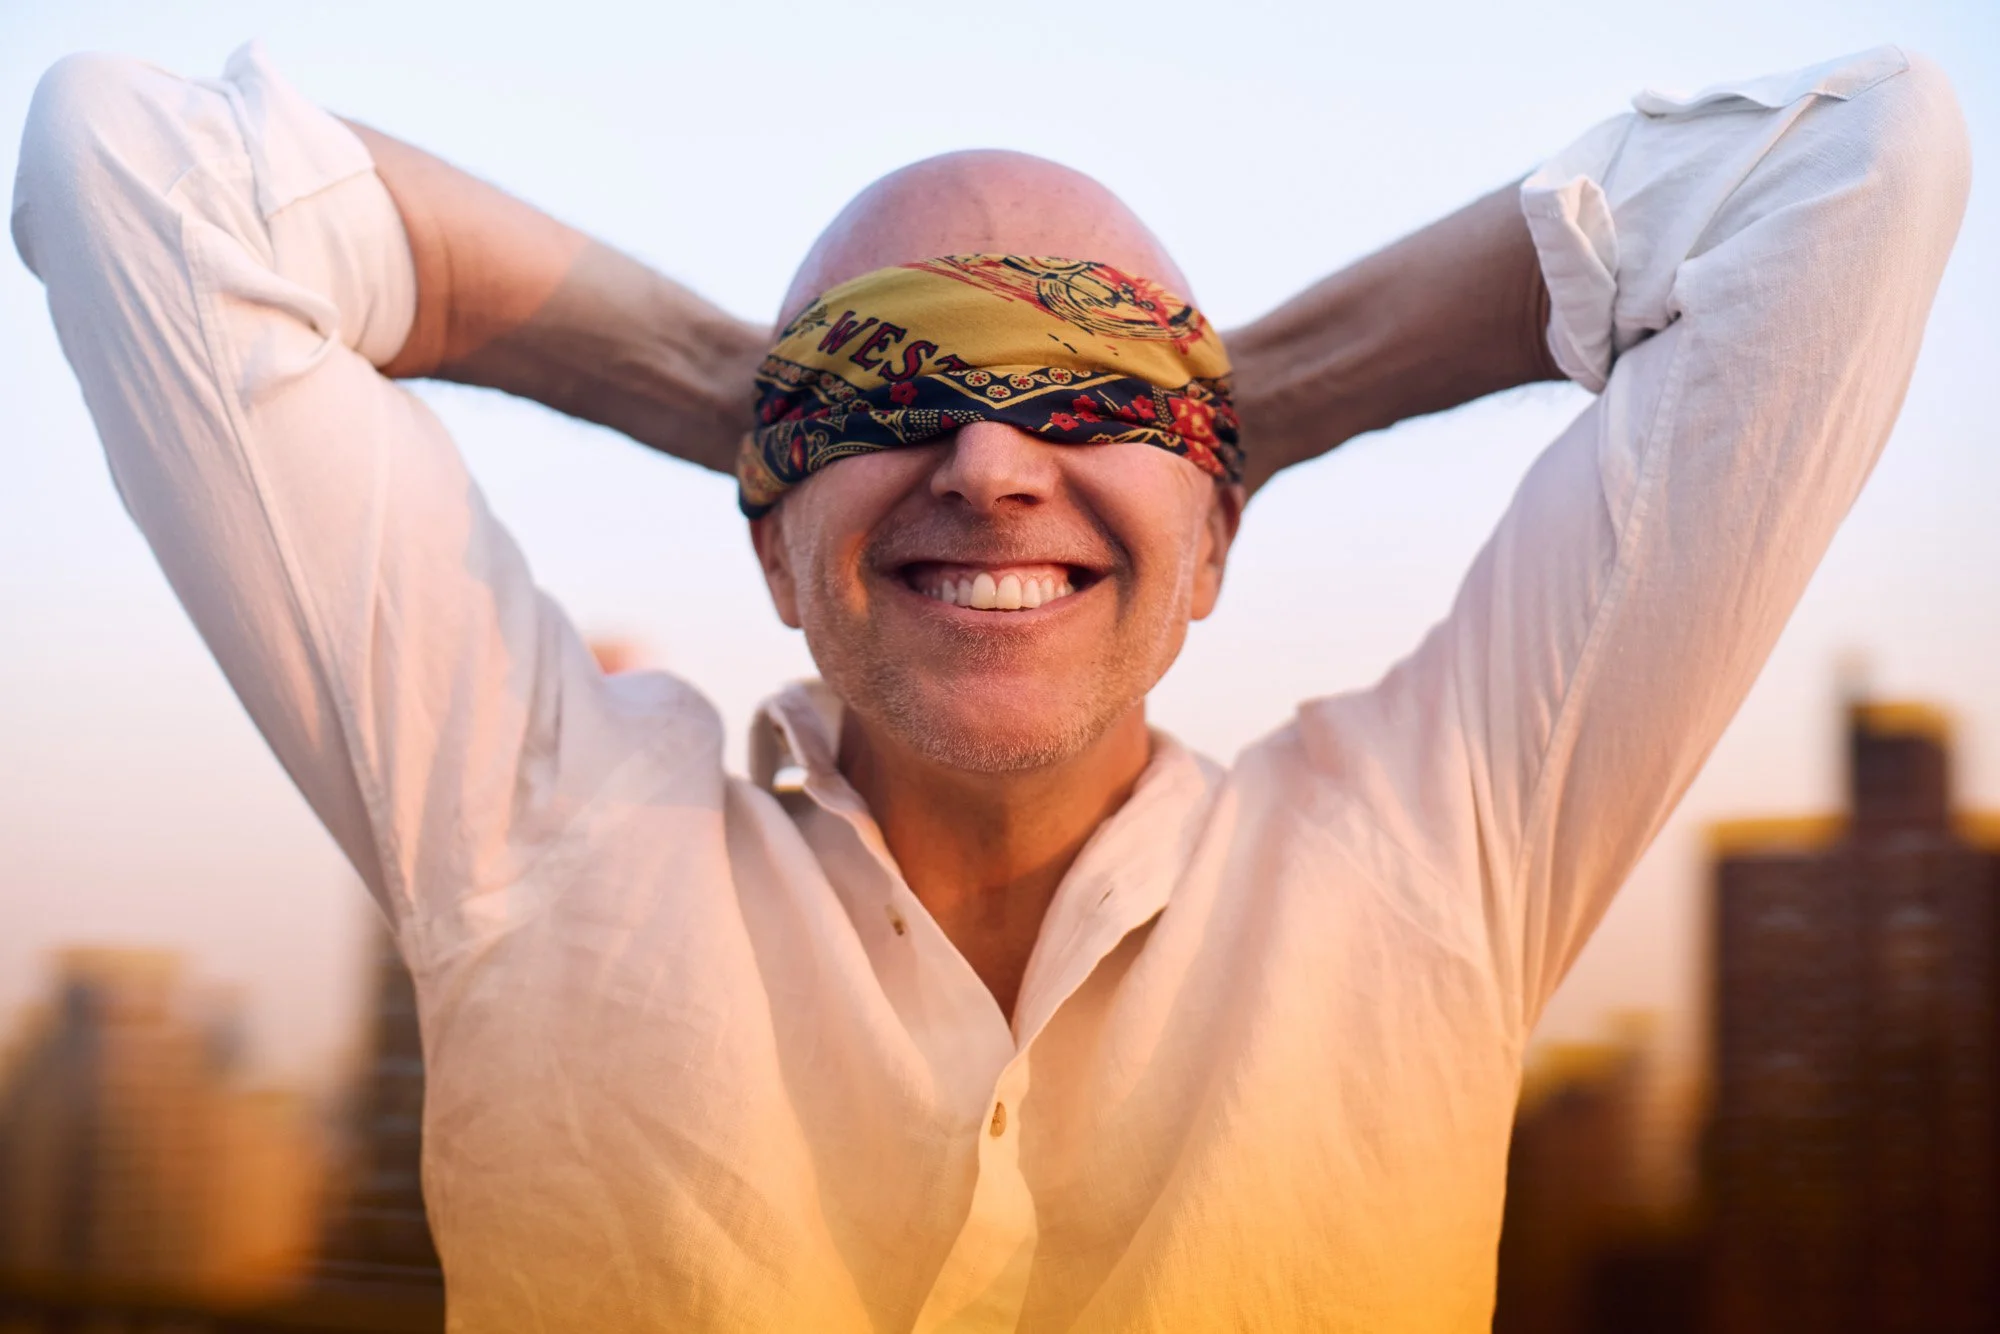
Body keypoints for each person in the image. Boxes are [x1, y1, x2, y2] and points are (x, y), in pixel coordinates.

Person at [12, 38, 1966, 1332]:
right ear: (764, 540)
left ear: (1216, 541)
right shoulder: (539, 837)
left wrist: (1252, 412)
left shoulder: (1430, 860)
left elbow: (1855, 174)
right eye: (889, 395)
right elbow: (131, 169)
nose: (986, 463)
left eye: (1086, 396)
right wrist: (726, 384)